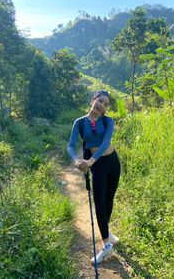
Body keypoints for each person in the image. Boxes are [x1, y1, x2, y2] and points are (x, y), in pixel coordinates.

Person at [67, 90, 121, 264]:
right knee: (99, 203)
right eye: (100, 101)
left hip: (113, 162)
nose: (102, 106)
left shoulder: (108, 121)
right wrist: (77, 160)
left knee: (109, 199)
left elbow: (105, 142)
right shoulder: (80, 122)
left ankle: (106, 232)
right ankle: (107, 246)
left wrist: (90, 160)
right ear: (93, 100)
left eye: (106, 104)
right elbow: (70, 146)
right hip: (97, 166)